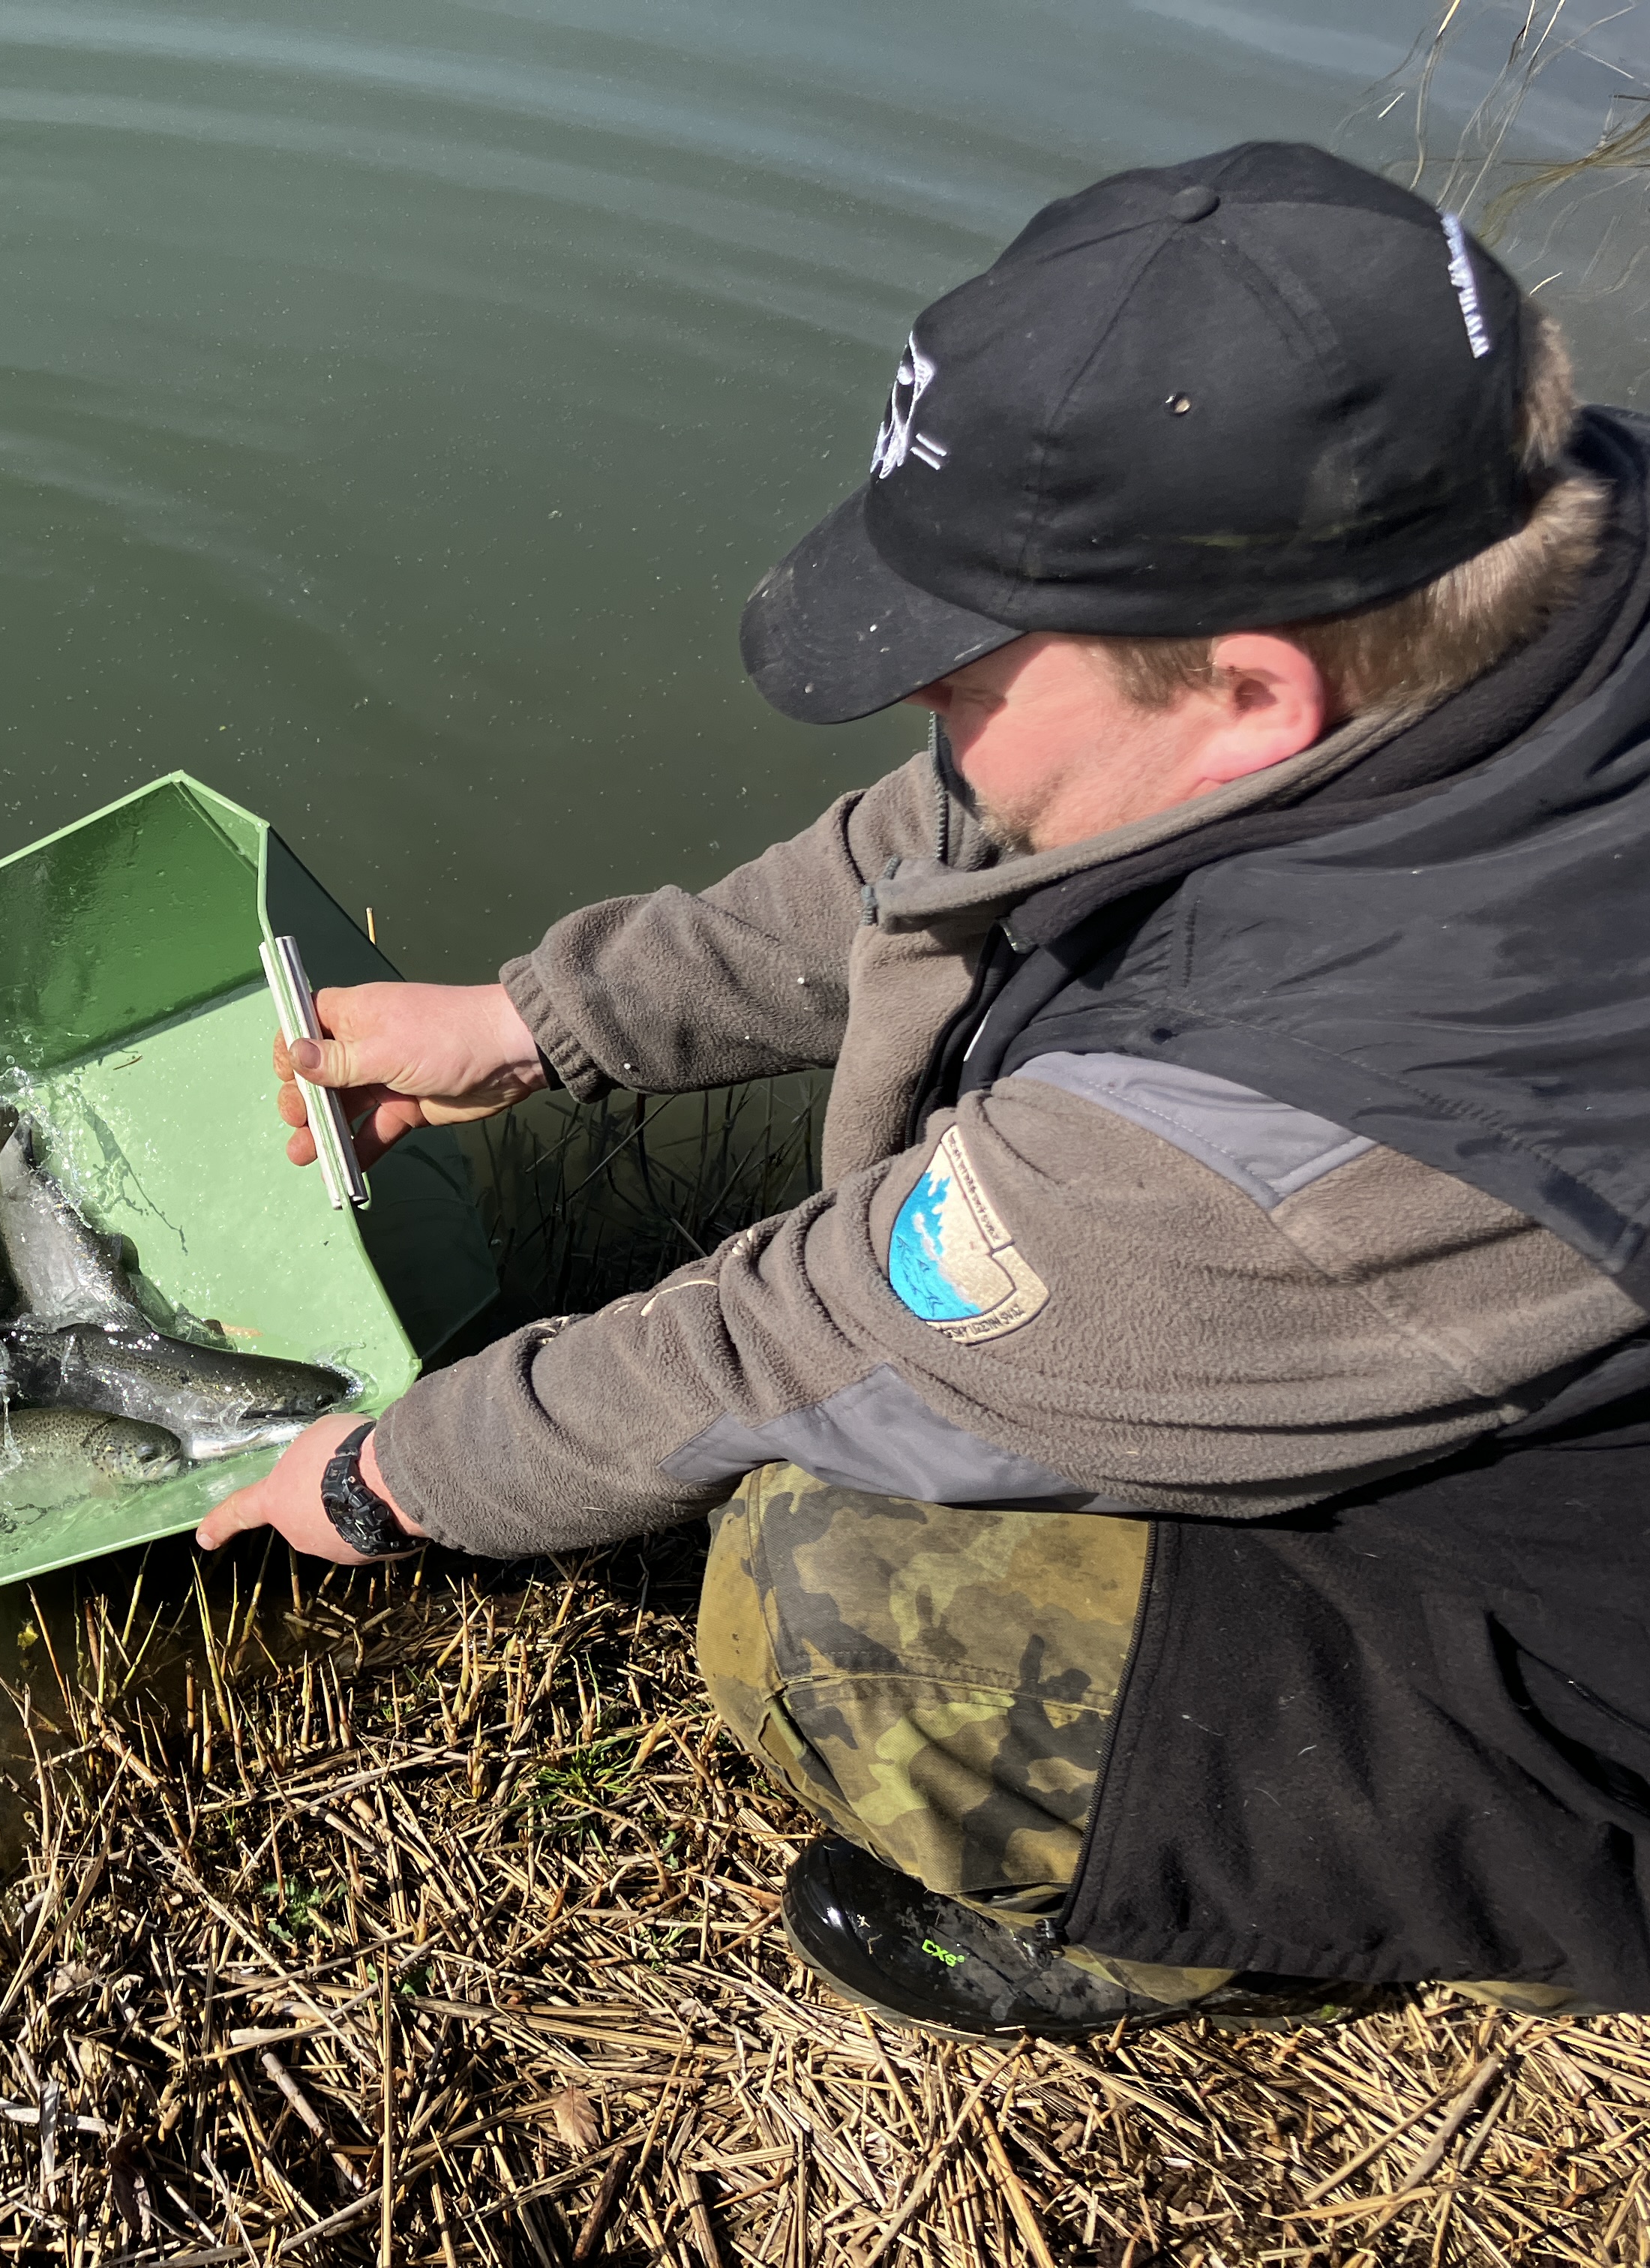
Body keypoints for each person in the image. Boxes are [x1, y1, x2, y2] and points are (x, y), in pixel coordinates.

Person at [195, 141, 1650, 2038]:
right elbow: (965, 833)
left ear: (1251, 702)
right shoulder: (1526, 542)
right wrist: (537, 1020)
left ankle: (1265, 1905)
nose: (918, 707)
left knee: (840, 1600)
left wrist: (393, 1477)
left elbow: (810, 1350)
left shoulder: (1321, 1126)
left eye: (963, 665)